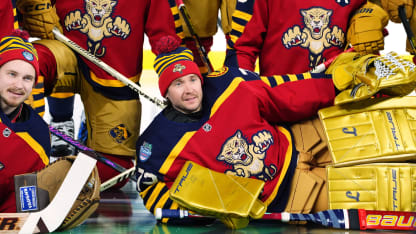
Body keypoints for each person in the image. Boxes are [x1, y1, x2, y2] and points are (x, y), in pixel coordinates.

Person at [135, 36, 416, 226]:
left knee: (399, 134)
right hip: (291, 194)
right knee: (393, 191)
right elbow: (154, 196)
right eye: (178, 84)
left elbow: (284, 95)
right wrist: (205, 212)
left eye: (192, 79)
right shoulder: (156, 145)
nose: (189, 90)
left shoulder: (227, 84)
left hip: (304, 140)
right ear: (165, 92)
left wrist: (335, 85)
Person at [17, 0, 181, 188]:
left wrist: (178, 75)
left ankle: (91, 129)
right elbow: (16, 18)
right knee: (26, 63)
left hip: (114, 77)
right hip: (63, 54)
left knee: (111, 175)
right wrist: (29, 9)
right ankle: (20, 147)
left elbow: (165, 36)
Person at [224, 0, 391, 76]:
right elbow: (242, 48)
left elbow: (366, 48)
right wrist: (240, 89)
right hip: (279, 103)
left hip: (338, 102)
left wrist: (371, 13)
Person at [0, 30, 50, 212]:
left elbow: (23, 207)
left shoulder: (39, 134)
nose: (19, 85)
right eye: (11, 74)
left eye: (27, 78)